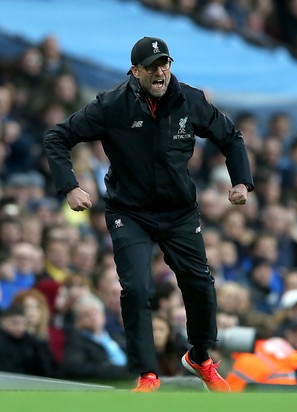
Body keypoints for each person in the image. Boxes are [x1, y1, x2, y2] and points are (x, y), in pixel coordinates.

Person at [44, 36, 254, 392]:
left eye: (165, 64)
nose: (160, 72)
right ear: (135, 71)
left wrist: (241, 183)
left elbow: (231, 137)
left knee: (200, 282)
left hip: (179, 212)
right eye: (153, 66)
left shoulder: (191, 100)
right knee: (137, 288)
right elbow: (57, 136)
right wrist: (70, 186)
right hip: (130, 211)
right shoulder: (111, 105)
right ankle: (147, 374)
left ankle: (200, 356)